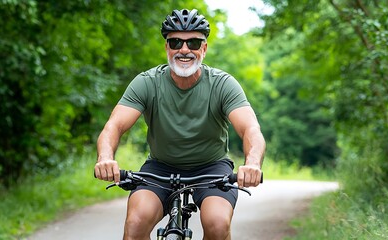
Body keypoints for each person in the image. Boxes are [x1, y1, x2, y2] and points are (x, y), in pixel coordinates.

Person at [94, 8, 266, 240]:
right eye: (175, 42)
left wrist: (252, 163)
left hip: (211, 169)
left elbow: (250, 129)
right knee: (135, 224)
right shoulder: (147, 83)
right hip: (160, 169)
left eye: (193, 43)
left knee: (217, 224)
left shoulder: (223, 84)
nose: (184, 50)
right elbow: (114, 126)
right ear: (167, 47)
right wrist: (105, 158)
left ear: (203, 49)